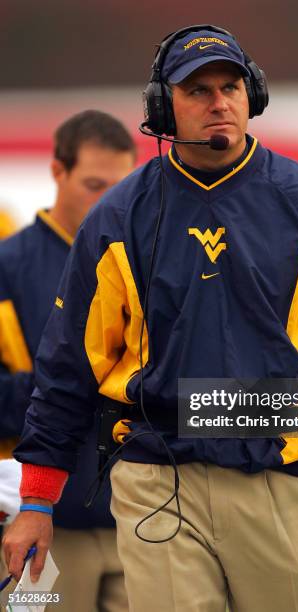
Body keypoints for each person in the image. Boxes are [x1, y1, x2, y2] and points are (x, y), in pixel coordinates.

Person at [2, 26, 298, 612]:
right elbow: (68, 364)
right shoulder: (117, 218)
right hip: (156, 480)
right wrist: (39, 501)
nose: (219, 102)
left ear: (254, 96)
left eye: (231, 86)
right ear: (160, 107)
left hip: (282, 477)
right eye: (197, 90)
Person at [0, 109, 136, 611]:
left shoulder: (147, 263)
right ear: (57, 171)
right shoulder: (7, 266)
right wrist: (67, 387)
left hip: (143, 521)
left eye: (120, 186)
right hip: (39, 524)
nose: (109, 200)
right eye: (94, 184)